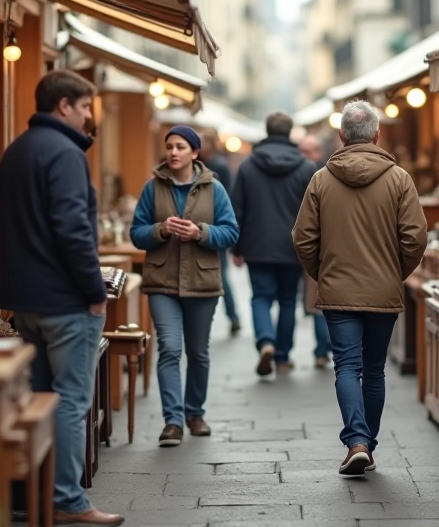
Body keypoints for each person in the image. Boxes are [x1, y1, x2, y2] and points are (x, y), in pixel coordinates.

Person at [0, 69, 124, 525]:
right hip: (66, 301)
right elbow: (74, 231)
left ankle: (30, 493)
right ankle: (67, 500)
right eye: (86, 107)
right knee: (71, 399)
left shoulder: (16, 151)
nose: (91, 116)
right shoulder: (65, 154)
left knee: (36, 398)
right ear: (64, 106)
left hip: (25, 301)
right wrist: (95, 291)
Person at [292, 100, 427, 475]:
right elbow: (415, 238)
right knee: (375, 369)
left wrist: (323, 273)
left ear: (341, 136)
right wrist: (394, 272)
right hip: (383, 289)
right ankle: (367, 444)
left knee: (347, 367)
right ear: (377, 134)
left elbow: (303, 238)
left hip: (338, 290)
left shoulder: (321, 179)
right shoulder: (399, 179)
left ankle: (357, 441)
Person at [130, 125, 239, 447]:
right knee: (170, 349)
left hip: (202, 282)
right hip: (162, 282)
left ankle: (195, 413)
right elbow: (136, 233)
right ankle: (173, 422)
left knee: (198, 353)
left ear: (194, 152)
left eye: (180, 147)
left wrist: (201, 233)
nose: (173, 152)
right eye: (169, 147)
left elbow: (231, 233)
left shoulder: (214, 189)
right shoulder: (152, 188)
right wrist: (160, 229)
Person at [231, 112, 316, 376]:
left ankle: (265, 341)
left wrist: (236, 247)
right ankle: (282, 356)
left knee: (261, 298)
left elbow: (237, 209)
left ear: (267, 131)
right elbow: (315, 211)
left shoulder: (247, 166)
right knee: (288, 301)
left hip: (256, 245)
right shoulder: (305, 168)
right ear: (290, 133)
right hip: (293, 247)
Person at [199, 128, 241, 335]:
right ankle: (231, 316)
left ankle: (232, 315)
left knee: (220, 274)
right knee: (220, 274)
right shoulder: (203, 163)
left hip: (215, 229)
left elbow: (228, 198)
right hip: (203, 228)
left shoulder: (218, 166)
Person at [296, 134, 332, 368]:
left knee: (320, 303)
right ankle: (322, 350)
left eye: (312, 151)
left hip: (321, 249)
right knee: (320, 303)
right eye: (305, 151)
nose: (309, 156)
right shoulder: (319, 174)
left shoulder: (322, 175)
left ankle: (323, 349)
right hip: (316, 249)